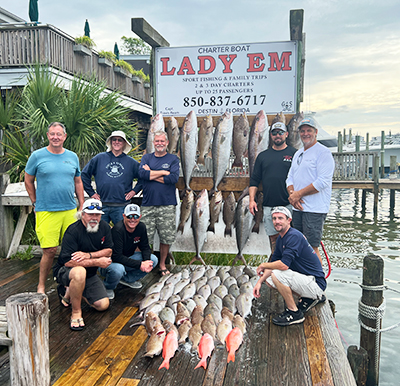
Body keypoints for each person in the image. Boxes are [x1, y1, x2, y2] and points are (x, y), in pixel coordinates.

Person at [24, 122, 85, 294]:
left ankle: (69, 284)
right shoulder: (37, 156)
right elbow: (28, 180)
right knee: (49, 250)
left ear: (65, 137)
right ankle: (41, 285)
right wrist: (34, 201)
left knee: (72, 251)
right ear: (48, 135)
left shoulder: (72, 157)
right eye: (52, 134)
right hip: (46, 210)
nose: (55, 137)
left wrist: (81, 204)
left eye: (59, 134)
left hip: (69, 211)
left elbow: (78, 181)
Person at [253, 206, 326, 326]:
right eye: (274, 218)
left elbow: (284, 265)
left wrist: (263, 264)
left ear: (289, 220)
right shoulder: (281, 238)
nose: (277, 221)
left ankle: (294, 313)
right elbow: (274, 264)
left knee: (277, 274)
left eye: (280, 218)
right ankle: (310, 298)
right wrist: (259, 282)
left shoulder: (293, 236)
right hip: (308, 281)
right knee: (270, 280)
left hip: (316, 283)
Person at [53, 199, 113, 331]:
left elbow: (109, 250)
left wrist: (89, 255)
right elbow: (67, 261)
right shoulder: (73, 230)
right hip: (66, 271)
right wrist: (97, 261)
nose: (94, 218)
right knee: (80, 272)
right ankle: (76, 312)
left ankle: (72, 290)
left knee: (103, 305)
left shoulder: (104, 227)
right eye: (90, 214)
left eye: (97, 215)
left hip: (90, 274)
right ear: (82, 214)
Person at [286, 116, 335, 265]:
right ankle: (304, 279)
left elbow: (322, 182)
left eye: (309, 130)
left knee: (312, 247)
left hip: (315, 209)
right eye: (303, 131)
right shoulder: (298, 153)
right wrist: (292, 195)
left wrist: (297, 195)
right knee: (299, 245)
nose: (305, 133)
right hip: (299, 207)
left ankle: (318, 282)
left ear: (316, 132)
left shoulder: (323, 153)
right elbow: (290, 177)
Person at [249, 121, 296, 255]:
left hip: (289, 204)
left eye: (280, 132)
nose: (277, 135)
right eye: (274, 133)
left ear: (286, 134)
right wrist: (252, 200)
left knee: (291, 238)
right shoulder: (263, 156)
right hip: (269, 205)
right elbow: (254, 181)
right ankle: (275, 266)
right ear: (270, 135)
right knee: (274, 240)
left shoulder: (295, 153)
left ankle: (290, 267)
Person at [138, 131, 179, 276]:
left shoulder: (173, 159)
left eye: (162, 141)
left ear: (167, 143)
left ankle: (162, 264)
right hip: (148, 204)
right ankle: (144, 263)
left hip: (166, 204)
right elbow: (142, 175)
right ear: (153, 143)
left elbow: (173, 179)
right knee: (144, 237)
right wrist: (162, 172)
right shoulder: (147, 157)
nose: (159, 143)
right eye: (157, 141)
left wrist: (152, 174)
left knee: (165, 237)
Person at [81, 130, 142, 225]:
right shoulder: (99, 158)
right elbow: (84, 174)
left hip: (121, 205)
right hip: (101, 204)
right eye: (114, 139)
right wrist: (91, 193)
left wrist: (134, 191)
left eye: (120, 140)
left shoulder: (131, 162)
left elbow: (143, 177)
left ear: (124, 143)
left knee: (121, 234)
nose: (117, 142)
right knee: (99, 234)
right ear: (111, 142)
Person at [99, 203, 158, 299]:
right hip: (110, 262)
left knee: (153, 259)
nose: (133, 219)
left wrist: (146, 261)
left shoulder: (141, 227)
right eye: (129, 216)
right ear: (124, 216)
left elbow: (145, 247)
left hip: (127, 257)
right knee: (118, 269)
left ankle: (127, 279)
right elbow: (116, 256)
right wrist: (140, 265)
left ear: (140, 217)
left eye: (136, 216)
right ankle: (108, 287)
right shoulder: (118, 230)